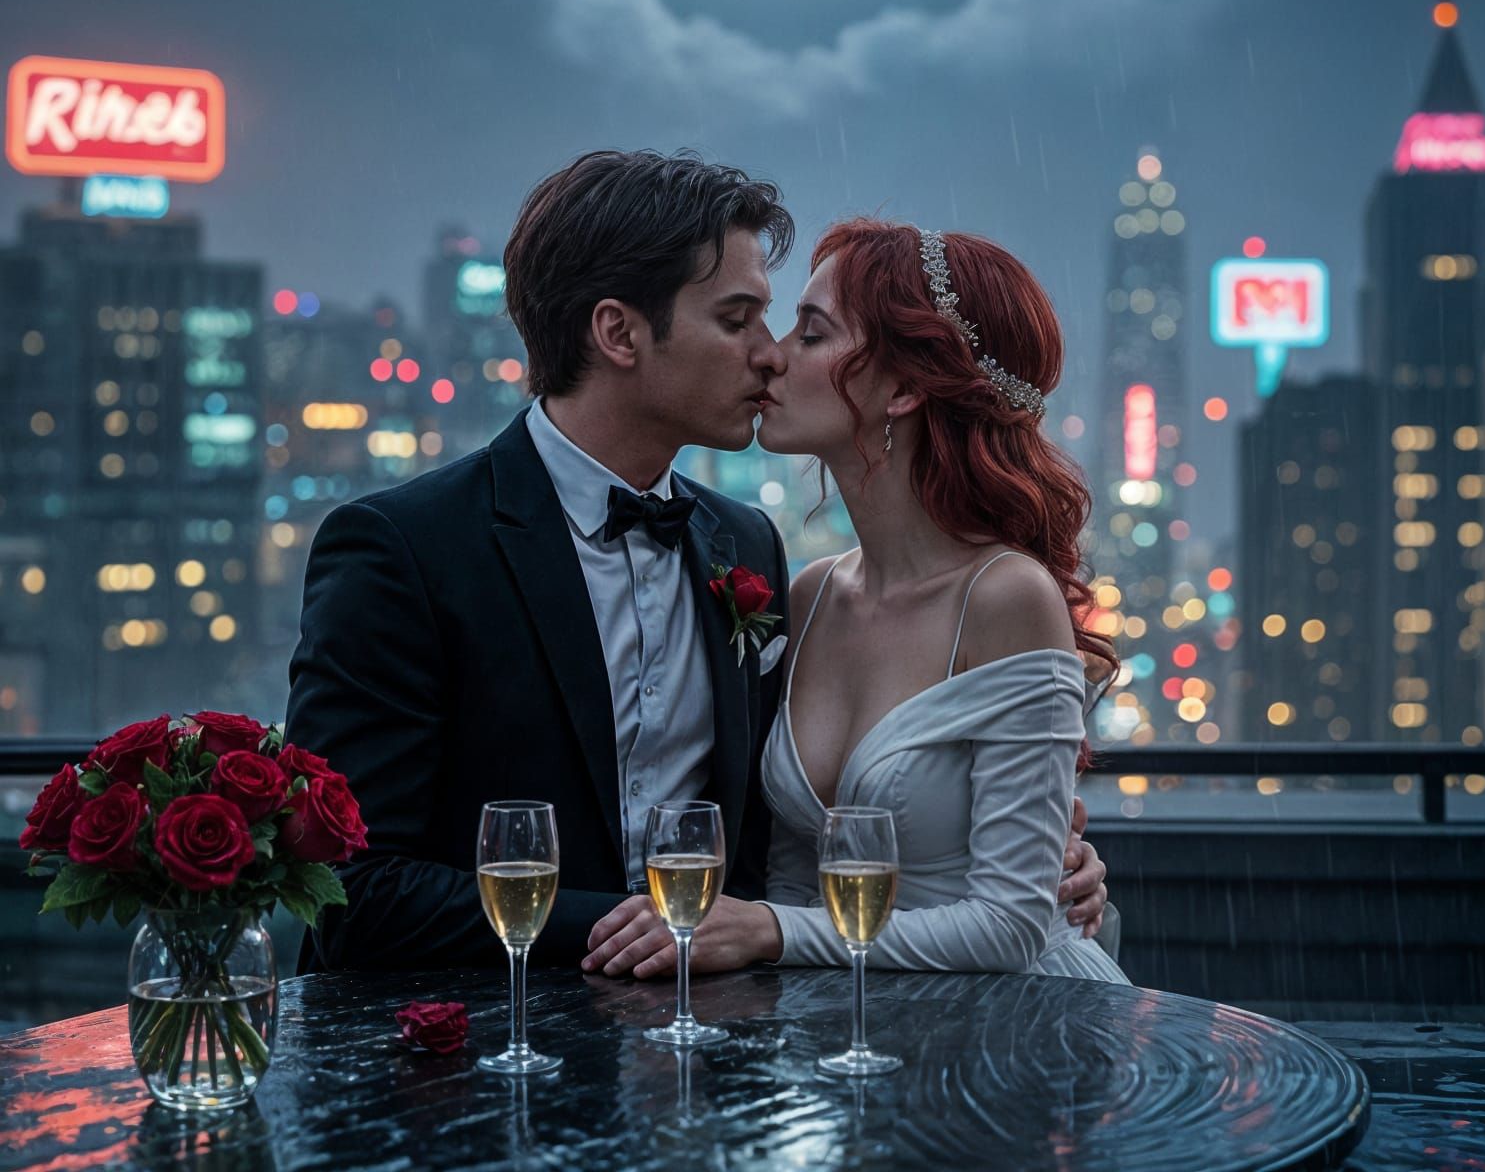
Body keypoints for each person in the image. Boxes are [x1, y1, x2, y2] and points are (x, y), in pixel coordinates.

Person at [285, 153, 1109, 973]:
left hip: (747, 1048)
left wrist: (1034, 849)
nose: (770, 355)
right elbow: (350, 888)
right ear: (619, 333)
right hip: (467, 1055)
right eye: (738, 319)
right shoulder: (404, 548)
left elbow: (859, 837)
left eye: (793, 327)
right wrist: (659, 928)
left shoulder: (746, 546)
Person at [587, 216, 1127, 981]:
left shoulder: (1008, 597)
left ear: (904, 389)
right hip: (841, 1029)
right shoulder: (809, 595)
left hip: (1004, 1034)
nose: (770, 356)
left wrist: (772, 932)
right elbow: (789, 879)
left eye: (811, 334)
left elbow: (1011, 925)